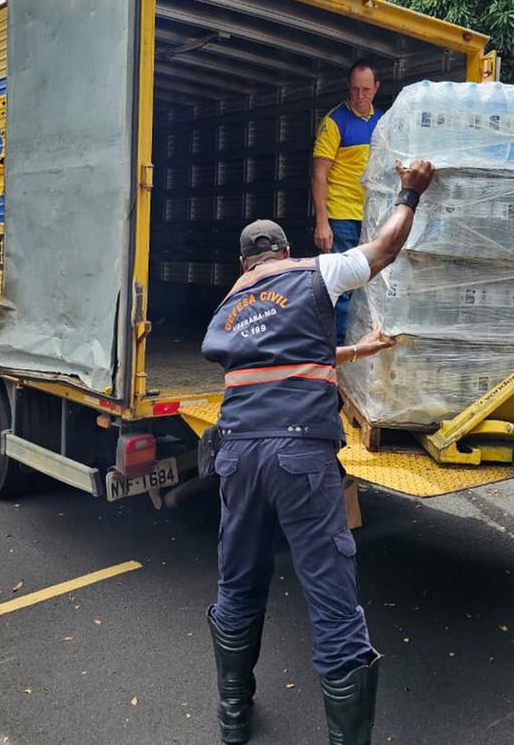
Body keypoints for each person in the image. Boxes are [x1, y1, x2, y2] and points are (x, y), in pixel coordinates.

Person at [202, 159, 435, 745]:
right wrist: (410, 191)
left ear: (244, 263)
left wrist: (358, 350)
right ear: (286, 251)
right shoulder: (314, 273)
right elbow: (381, 250)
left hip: (236, 457)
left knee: (238, 583)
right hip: (301, 459)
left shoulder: (230, 306)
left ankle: (233, 720)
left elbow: (289, 357)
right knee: (331, 596)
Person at [311, 59, 384, 345]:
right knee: (342, 286)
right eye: (355, 89)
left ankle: (366, 347)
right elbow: (319, 173)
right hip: (341, 216)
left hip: (373, 218)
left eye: (366, 90)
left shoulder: (384, 123)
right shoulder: (334, 122)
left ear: (376, 88)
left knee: (372, 284)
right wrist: (322, 222)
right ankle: (340, 351)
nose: (360, 96)